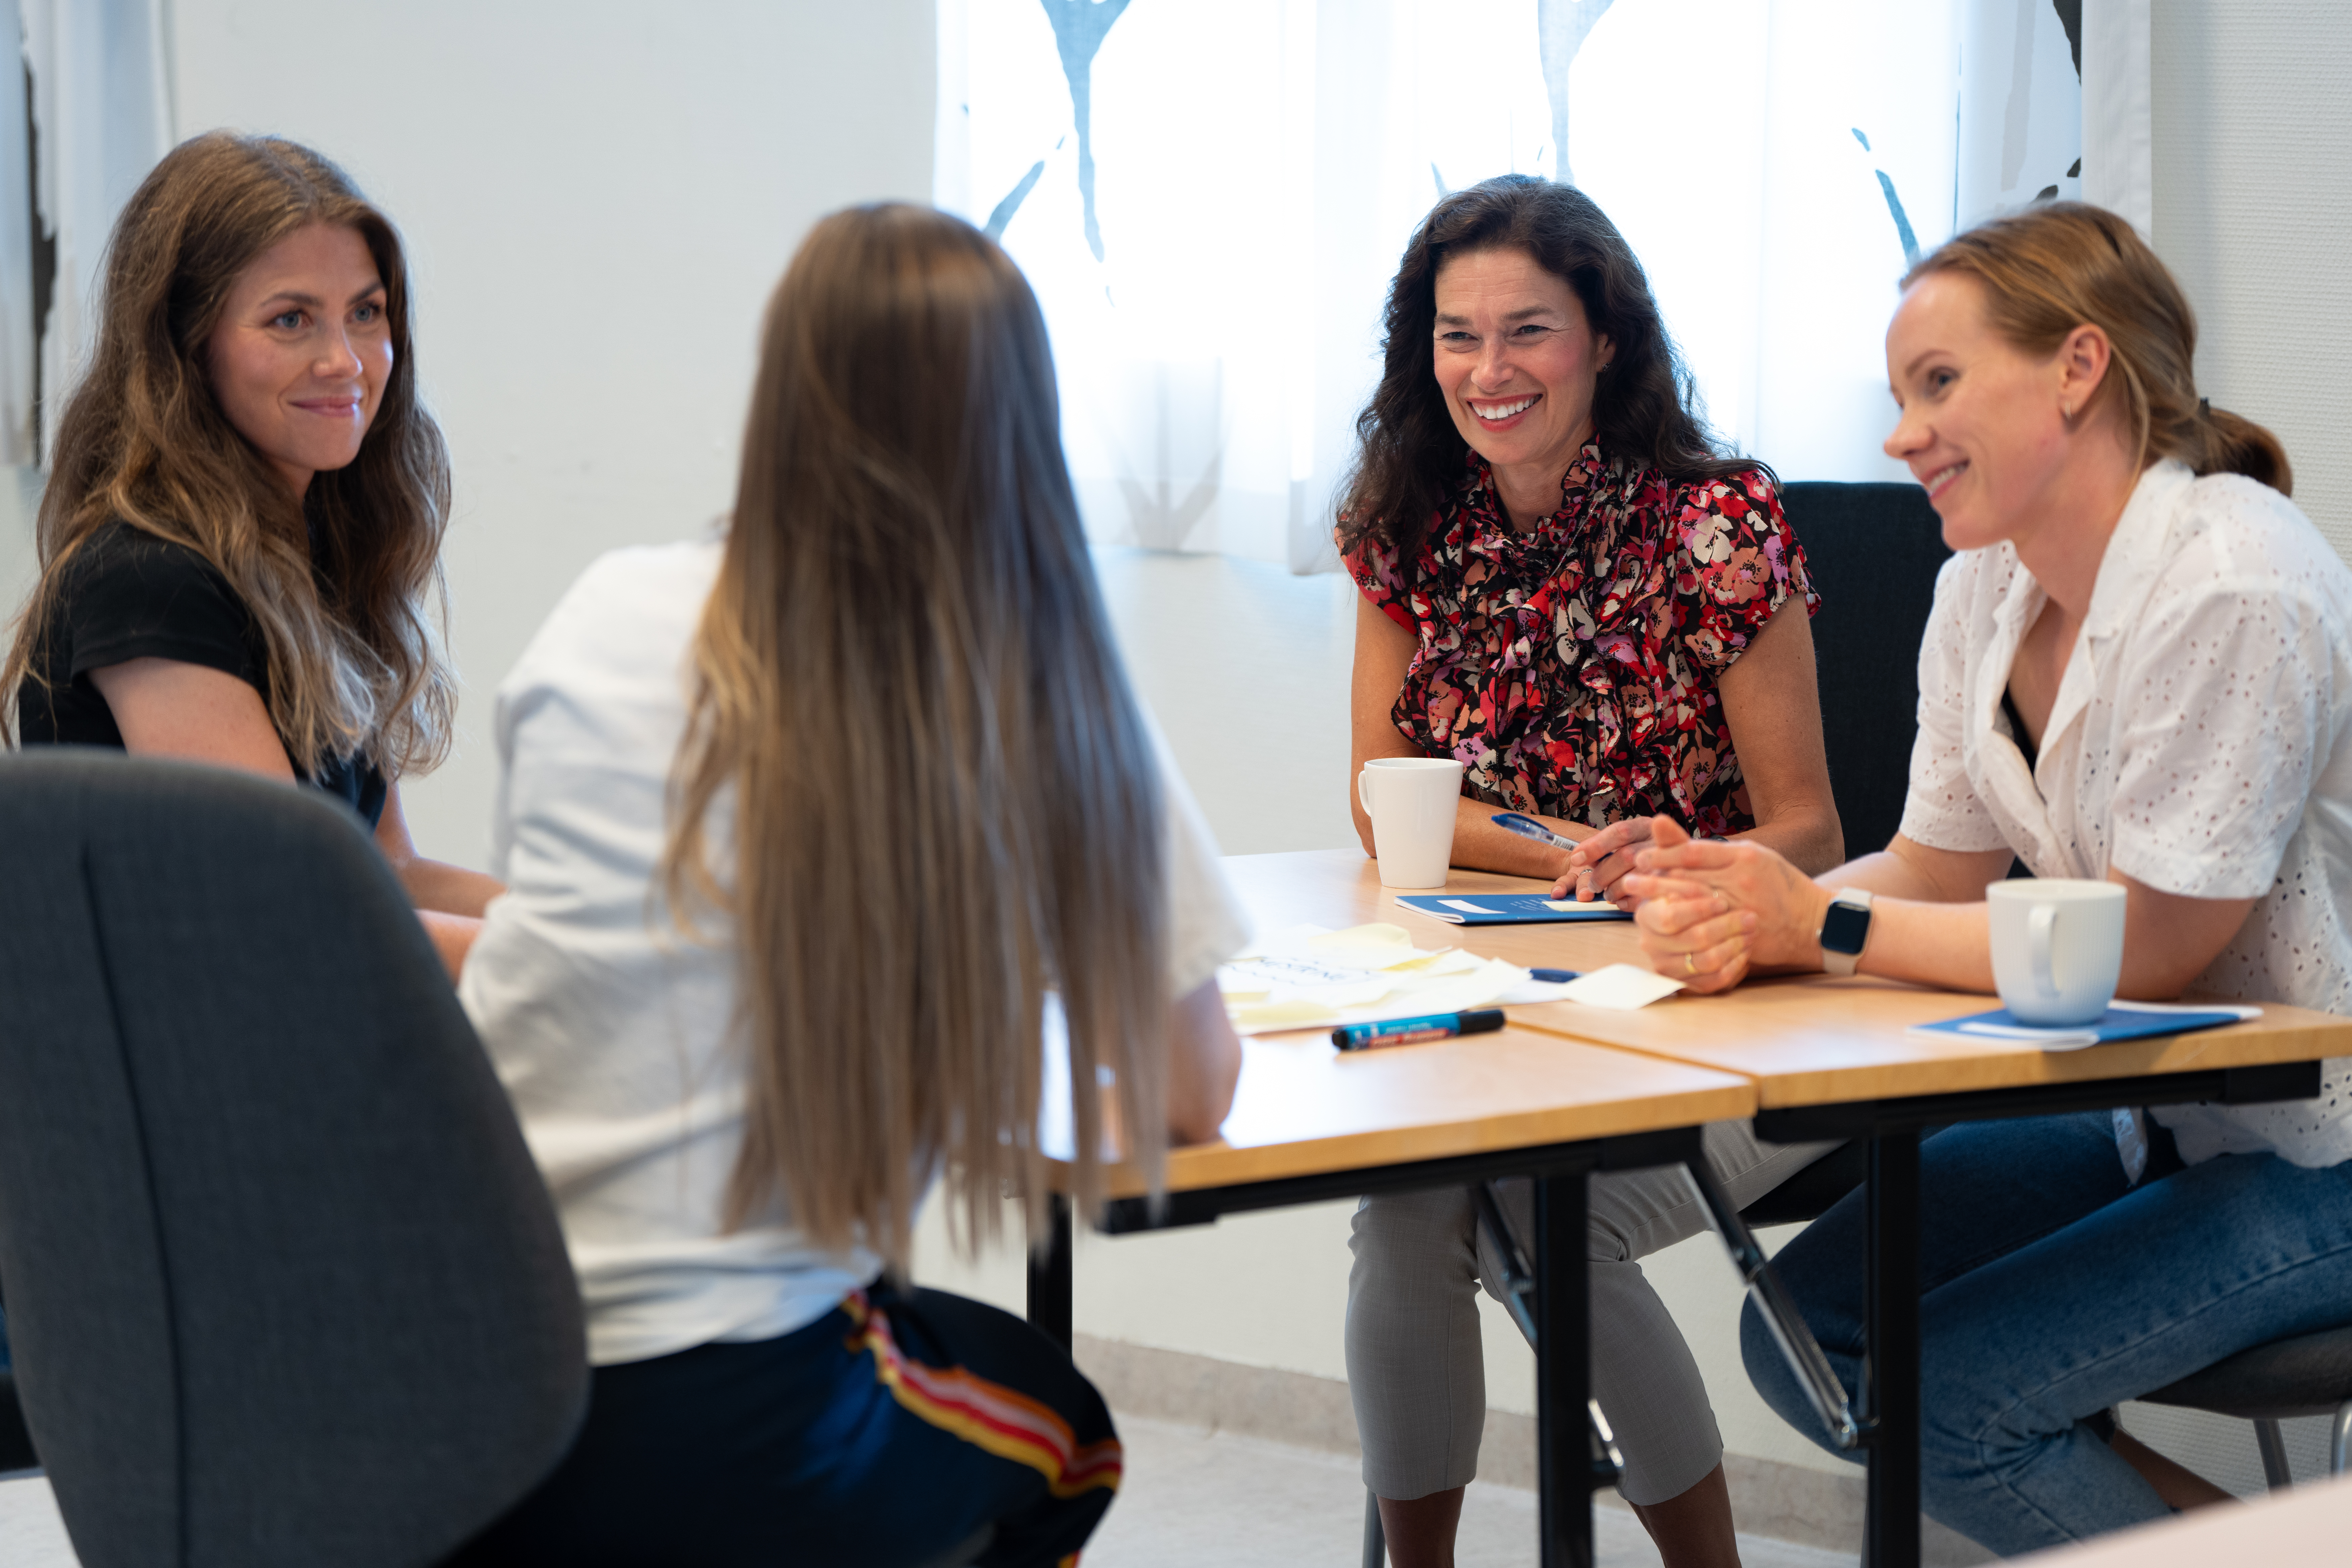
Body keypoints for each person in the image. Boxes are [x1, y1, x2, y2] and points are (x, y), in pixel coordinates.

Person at [446, 205, 1247, 1567]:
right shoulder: (1042, 679)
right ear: (1021, 419)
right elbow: (1191, 1090)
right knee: (1070, 1444)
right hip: (729, 1405)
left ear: (785, 395)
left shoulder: (606, 607)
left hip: (458, 1361)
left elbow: (591, 941)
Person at [1621, 201, 2352, 1555]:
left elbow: (2151, 954)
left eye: (1940, 383)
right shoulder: (1988, 584)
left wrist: (1817, 923)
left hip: (2324, 1148)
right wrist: (1740, 898)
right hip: (2169, 1118)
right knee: (1807, 1333)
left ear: (2078, 368)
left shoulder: (2238, 580)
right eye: (1902, 394)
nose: (1903, 433)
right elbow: (1936, 870)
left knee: (1950, 1396)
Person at [1338, 174, 1844, 1568]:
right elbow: (1392, 809)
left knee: (1540, 1211)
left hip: (1726, 989)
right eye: (1456, 335)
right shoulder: (1409, 526)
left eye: (1529, 330)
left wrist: (1684, 856)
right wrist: (1580, 849)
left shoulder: (1717, 522)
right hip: (1520, 982)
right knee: (1404, 1209)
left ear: (1605, 339)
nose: (1489, 371)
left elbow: (1810, 829)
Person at [1, 133, 498, 978]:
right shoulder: (147, 580)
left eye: (366, 313)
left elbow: (390, 871)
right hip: (202, 1083)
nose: (345, 361)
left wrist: (611, 934)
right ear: (186, 346)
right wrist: (572, 969)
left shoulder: (309, 560)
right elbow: (286, 906)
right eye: (290, 319)